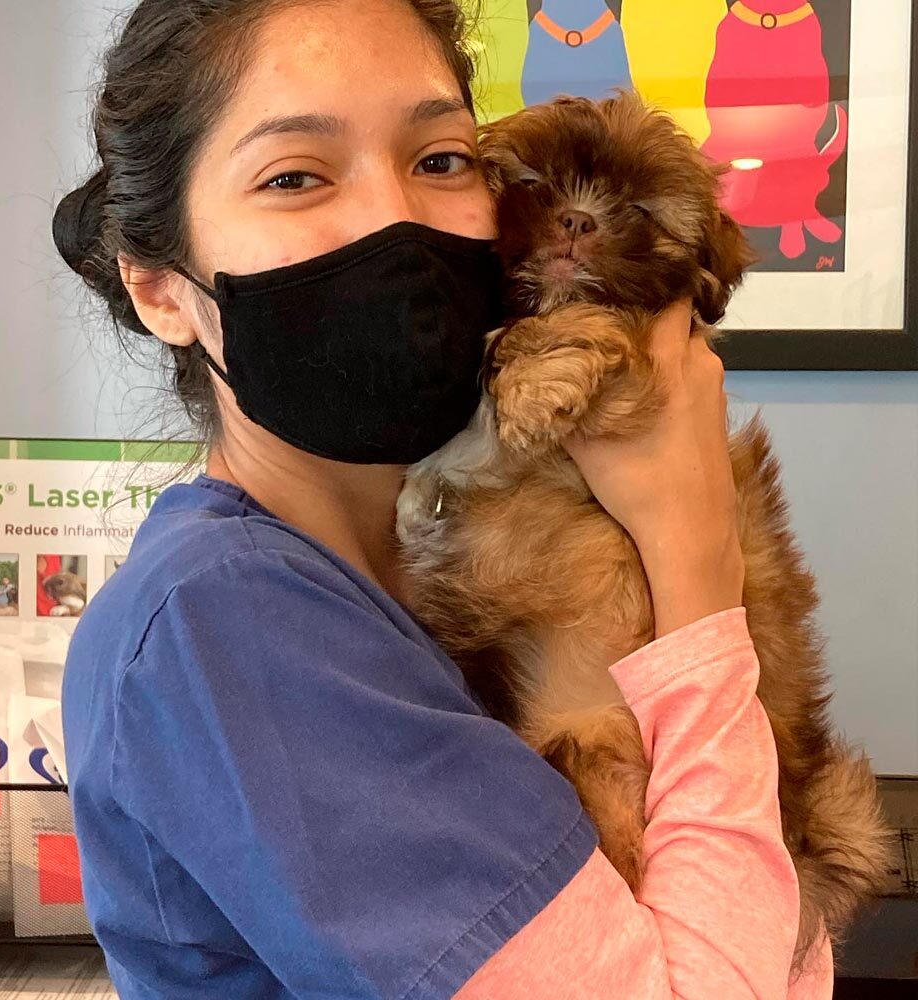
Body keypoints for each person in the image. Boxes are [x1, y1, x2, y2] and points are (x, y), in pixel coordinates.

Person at [54, 1, 833, 997]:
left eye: (441, 161)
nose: (396, 218)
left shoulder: (405, 569)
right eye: (295, 175)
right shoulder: (228, 617)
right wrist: (694, 571)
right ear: (161, 287)